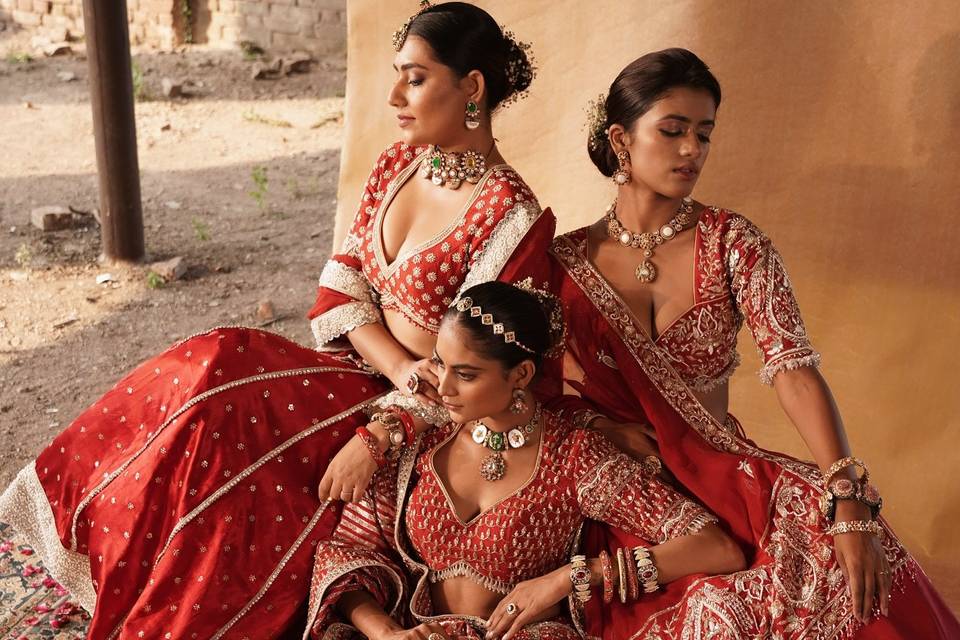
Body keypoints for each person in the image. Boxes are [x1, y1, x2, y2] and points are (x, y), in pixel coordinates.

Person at [0, 3, 554, 638]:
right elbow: (338, 292)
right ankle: (113, 554)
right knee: (216, 363)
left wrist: (378, 434)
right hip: (368, 373)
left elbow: (479, 373)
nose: (395, 95)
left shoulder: (511, 217)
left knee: (238, 437)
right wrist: (400, 365)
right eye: (396, 74)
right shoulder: (395, 166)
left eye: (417, 78)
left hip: (427, 421)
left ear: (472, 87)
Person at [544, 48, 960, 638]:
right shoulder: (564, 263)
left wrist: (845, 490)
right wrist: (603, 432)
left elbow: (792, 368)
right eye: (673, 130)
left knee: (850, 563)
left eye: (704, 134)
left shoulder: (733, 243)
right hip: (617, 494)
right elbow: (532, 393)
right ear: (620, 140)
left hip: (724, 479)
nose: (693, 150)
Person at [304, 281, 746, 640]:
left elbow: (716, 547)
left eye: (467, 374)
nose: (444, 387)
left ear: (522, 375)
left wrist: (568, 579)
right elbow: (349, 552)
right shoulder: (424, 437)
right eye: (441, 364)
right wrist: (384, 633)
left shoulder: (573, 458)